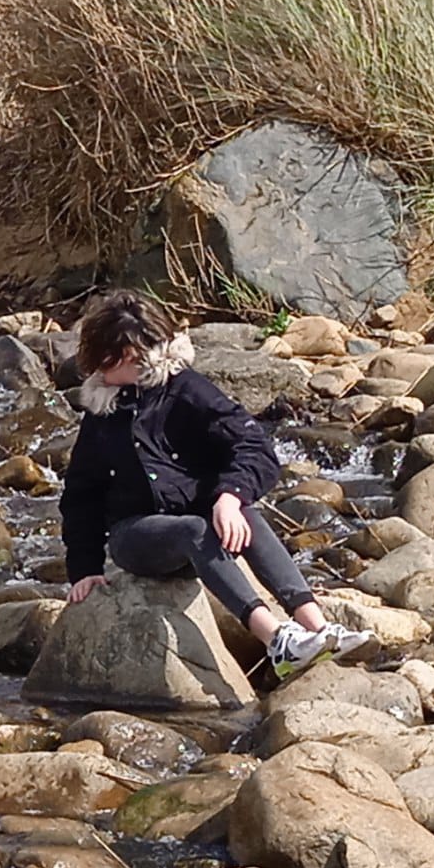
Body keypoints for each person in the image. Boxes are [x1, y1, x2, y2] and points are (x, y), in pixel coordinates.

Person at [59, 290, 376, 678]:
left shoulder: (186, 388)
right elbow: (81, 495)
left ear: (126, 355)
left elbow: (254, 445)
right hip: (136, 536)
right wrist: (84, 569)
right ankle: (276, 640)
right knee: (195, 528)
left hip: (202, 533)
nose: (99, 369)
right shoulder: (100, 412)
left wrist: (230, 495)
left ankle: (318, 627)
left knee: (243, 512)